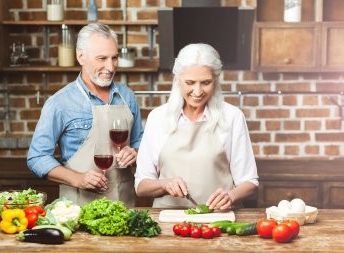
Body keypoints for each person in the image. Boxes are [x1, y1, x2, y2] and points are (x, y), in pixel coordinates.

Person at [27, 23, 144, 206]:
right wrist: (77, 179)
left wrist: (135, 152)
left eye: (114, 58)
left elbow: (139, 142)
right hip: (78, 210)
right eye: (102, 58)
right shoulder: (60, 102)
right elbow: (37, 157)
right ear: (81, 57)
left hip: (124, 208)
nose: (110, 67)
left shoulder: (127, 96)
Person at [134, 43, 258, 210]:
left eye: (206, 82)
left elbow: (250, 182)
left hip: (219, 219)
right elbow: (141, 186)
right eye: (190, 82)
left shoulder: (232, 117)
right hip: (167, 219)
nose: (197, 91)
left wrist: (230, 196)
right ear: (178, 80)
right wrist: (164, 184)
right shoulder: (157, 118)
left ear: (216, 80)